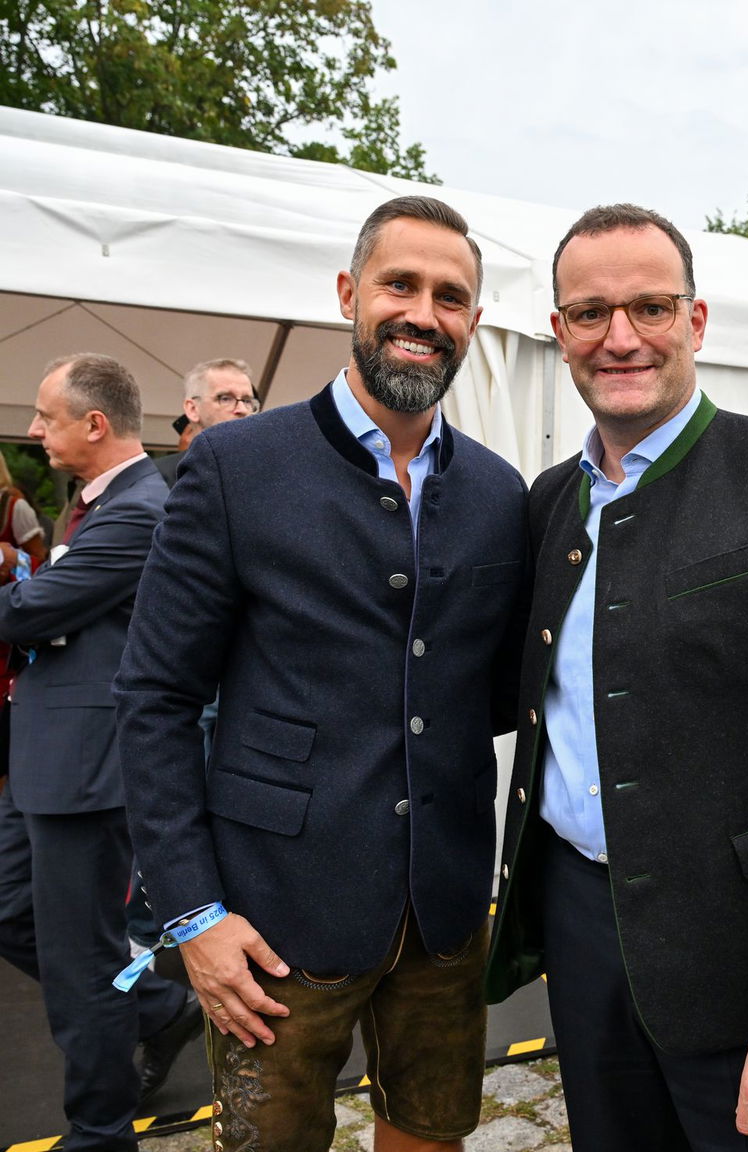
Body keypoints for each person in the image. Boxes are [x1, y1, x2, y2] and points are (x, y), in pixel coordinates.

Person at [114, 195, 529, 1152]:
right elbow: (155, 697)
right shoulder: (234, 467)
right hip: (271, 911)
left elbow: (497, 689)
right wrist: (193, 913)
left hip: (447, 905)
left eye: (452, 296)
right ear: (350, 293)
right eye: (402, 284)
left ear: (472, 319)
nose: (425, 313)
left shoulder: (501, 493)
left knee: (431, 1132)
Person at [483, 203, 748, 1150]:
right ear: (560, 335)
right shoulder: (552, 502)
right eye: (590, 314)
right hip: (583, 926)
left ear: (695, 323)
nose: (620, 337)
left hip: (739, 949)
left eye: (650, 308)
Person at [0, 353, 198, 1151]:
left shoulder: (139, 509)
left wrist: (28, 602)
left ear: (94, 423)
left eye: (47, 416)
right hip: (46, 761)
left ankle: (101, 1133)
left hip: (84, 771)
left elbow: (28, 612)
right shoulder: (95, 507)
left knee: (83, 967)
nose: (33, 429)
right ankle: (156, 1005)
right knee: (10, 910)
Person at [154, 359, 259, 486]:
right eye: (225, 399)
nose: (242, 409)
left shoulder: (269, 475)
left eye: (247, 401)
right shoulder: (159, 478)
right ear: (193, 409)